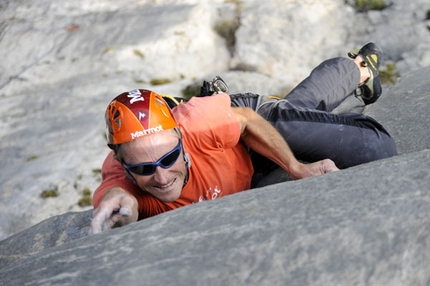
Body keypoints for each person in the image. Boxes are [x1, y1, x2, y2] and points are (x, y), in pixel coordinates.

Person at [89, 42, 396, 235]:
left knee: (375, 148)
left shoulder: (198, 124)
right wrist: (122, 207)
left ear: (179, 135)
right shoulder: (123, 177)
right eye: (143, 168)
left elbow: (249, 121)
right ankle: (358, 69)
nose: (161, 176)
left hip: (247, 120)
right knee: (302, 109)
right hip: (240, 161)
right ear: (121, 161)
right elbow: (117, 198)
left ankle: (345, 80)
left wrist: (296, 168)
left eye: (169, 157)